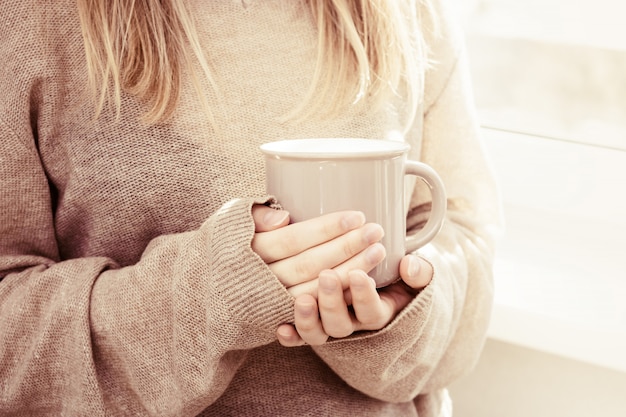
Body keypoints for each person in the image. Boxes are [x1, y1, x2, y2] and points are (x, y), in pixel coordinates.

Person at [0, 0, 501, 416]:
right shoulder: (27, 20)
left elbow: (466, 239)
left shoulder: (408, 12)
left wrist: (403, 305)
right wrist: (206, 295)